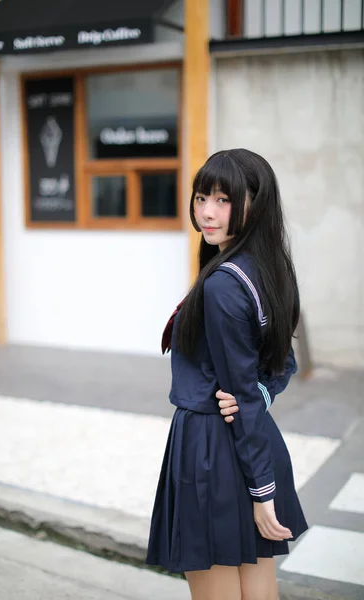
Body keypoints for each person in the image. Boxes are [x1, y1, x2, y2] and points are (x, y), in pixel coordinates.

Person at [146, 149, 308, 600]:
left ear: (256, 203)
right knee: (257, 591)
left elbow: (244, 393)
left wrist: (263, 492)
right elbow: (279, 368)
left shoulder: (222, 283)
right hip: (247, 447)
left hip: (210, 455)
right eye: (202, 198)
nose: (208, 212)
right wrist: (257, 392)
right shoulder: (271, 268)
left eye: (224, 199)